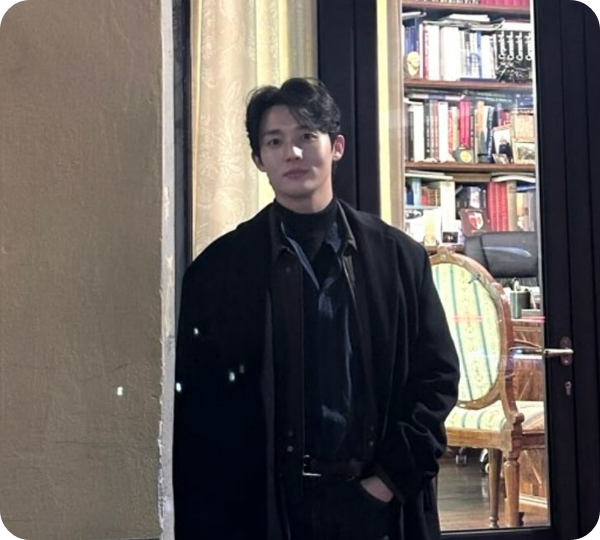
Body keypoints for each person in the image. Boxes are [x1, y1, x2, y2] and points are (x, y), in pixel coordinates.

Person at [173, 77, 459, 540]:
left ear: (336, 146)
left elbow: (436, 380)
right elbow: (199, 413)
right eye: (275, 141)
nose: (292, 153)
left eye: (306, 135)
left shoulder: (398, 259)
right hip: (265, 508)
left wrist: (386, 484)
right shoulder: (217, 272)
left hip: (376, 504)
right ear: (258, 159)